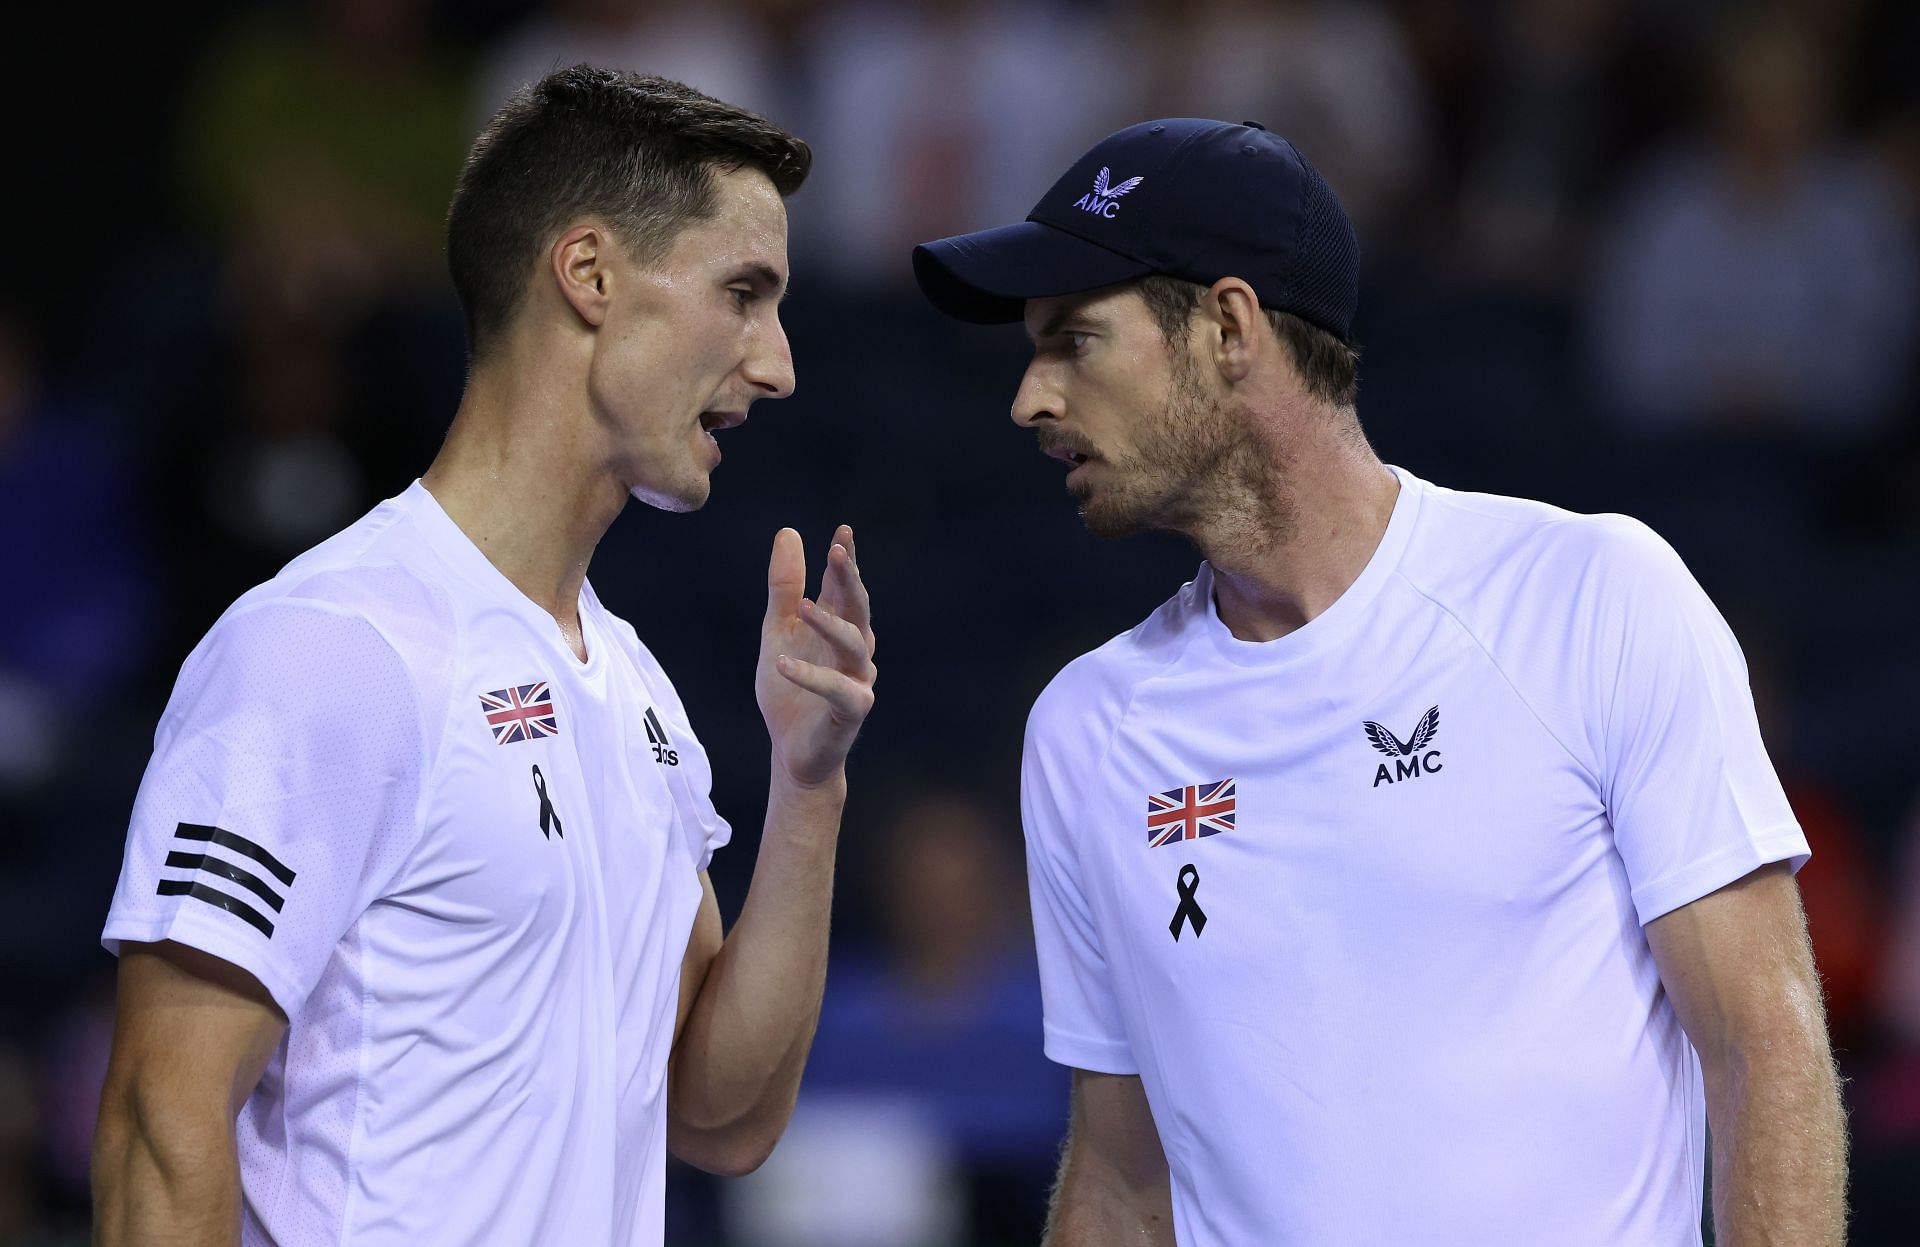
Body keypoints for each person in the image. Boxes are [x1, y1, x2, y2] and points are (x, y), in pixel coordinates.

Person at [912, 118, 1844, 1245]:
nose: (1031, 398)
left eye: (1074, 339)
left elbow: (1761, 1041)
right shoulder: (1086, 728)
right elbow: (1121, 1178)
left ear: (1227, 325)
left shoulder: (1592, 596)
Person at [91, 67, 877, 1247]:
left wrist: (809, 787)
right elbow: (162, 1124)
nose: (778, 363)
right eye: (743, 293)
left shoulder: (634, 690)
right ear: (591, 275)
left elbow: (720, 1113)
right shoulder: (328, 647)